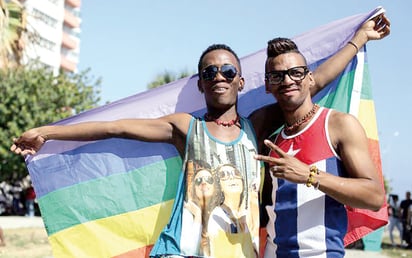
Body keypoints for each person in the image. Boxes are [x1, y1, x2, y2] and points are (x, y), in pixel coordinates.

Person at [10, 15, 390, 257]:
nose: (219, 78)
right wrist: (48, 132)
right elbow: (116, 127)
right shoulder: (184, 128)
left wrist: (358, 40)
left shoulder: (255, 127)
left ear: (242, 82)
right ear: (201, 84)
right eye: (209, 73)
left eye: (227, 71)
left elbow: (310, 83)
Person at [252, 32, 388, 257]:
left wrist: (309, 176)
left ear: (310, 78)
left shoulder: (338, 125)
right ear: (268, 85)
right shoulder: (270, 139)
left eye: (296, 73)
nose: (287, 81)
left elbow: (374, 197)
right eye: (277, 76)